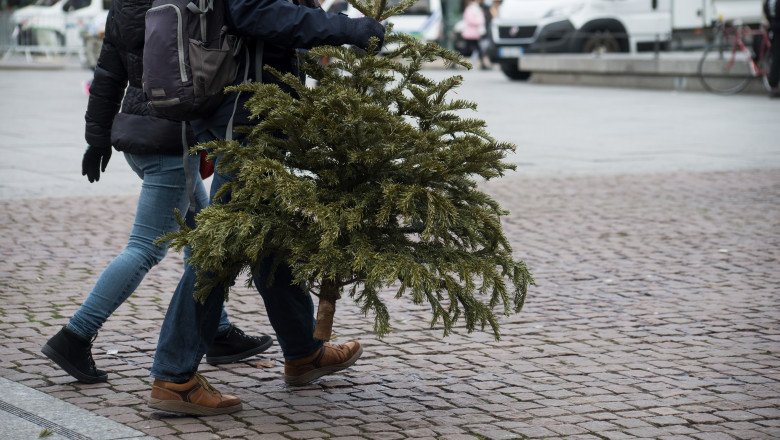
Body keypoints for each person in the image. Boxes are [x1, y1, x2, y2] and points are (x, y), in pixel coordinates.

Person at [146, 0, 385, 416]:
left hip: (253, 113)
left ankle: (302, 352)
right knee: (220, 244)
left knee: (268, 237)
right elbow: (256, 12)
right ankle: (174, 376)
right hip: (243, 115)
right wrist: (347, 29)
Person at [41, 0, 273, 385]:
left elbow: (107, 76)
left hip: (138, 134)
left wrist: (96, 139)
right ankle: (74, 335)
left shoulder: (124, 6)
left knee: (201, 234)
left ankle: (217, 331)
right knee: (146, 246)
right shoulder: (182, 4)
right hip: (170, 142)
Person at [461, 0, 489, 69]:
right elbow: (471, 20)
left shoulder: (477, 9)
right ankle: (453, 61)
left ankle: (483, 64)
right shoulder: (470, 9)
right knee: (466, 51)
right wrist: (481, 20)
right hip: (470, 34)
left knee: (478, 49)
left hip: (475, 34)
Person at [765, 0, 780, 97]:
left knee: (776, 57)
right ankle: (774, 86)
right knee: (777, 58)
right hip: (777, 30)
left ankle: (774, 85)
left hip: (774, 29)